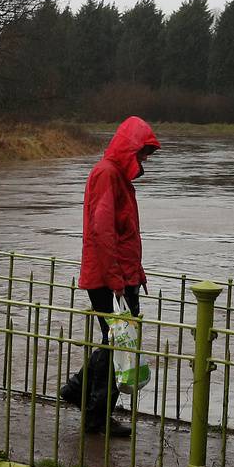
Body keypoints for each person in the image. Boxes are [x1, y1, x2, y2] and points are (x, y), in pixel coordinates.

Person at [59, 115, 160, 434]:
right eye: (142, 152)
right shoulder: (107, 175)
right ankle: (94, 412)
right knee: (119, 343)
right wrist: (118, 280)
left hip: (118, 276)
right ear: (129, 148)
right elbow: (102, 233)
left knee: (116, 341)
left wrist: (137, 272)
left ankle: (81, 395)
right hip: (110, 279)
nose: (145, 158)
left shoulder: (116, 175)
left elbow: (124, 232)